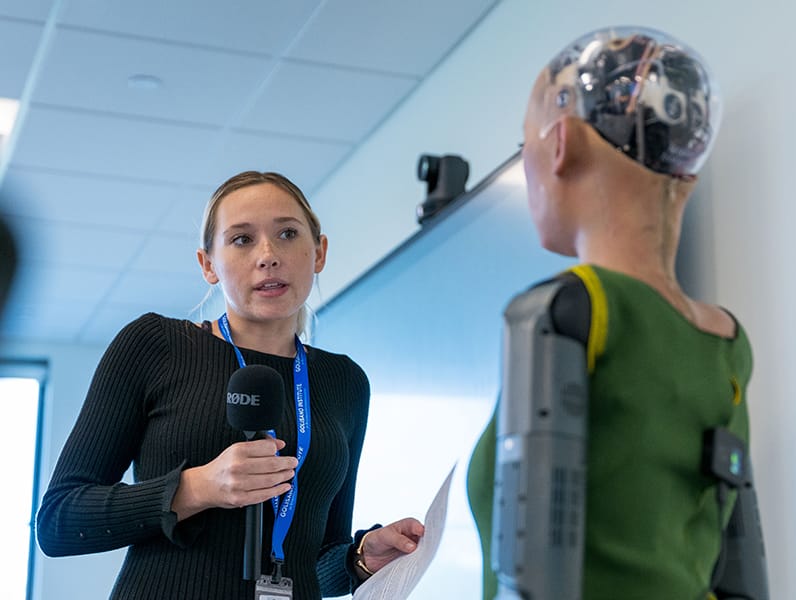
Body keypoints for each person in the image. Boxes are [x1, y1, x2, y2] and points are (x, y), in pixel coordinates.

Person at [36, 170, 425, 600]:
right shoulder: (155, 345)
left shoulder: (344, 381)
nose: (268, 255)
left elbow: (313, 560)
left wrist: (361, 558)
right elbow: (59, 523)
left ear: (319, 252)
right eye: (242, 239)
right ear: (208, 265)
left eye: (288, 234)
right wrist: (198, 487)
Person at [467, 26, 755, 599]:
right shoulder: (727, 340)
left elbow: (531, 581)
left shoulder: (570, 307)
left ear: (560, 144)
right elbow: (744, 573)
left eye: (525, 142)